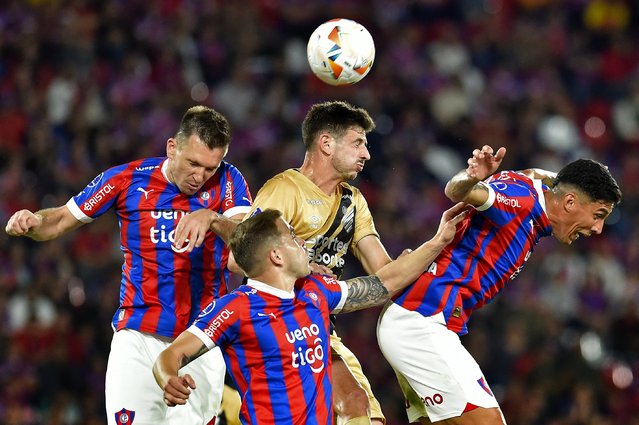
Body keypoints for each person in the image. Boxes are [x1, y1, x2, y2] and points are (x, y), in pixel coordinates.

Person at [5, 105, 253, 425]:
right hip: (137, 335)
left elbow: (248, 247)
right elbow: (61, 219)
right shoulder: (128, 180)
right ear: (171, 147)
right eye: (193, 163)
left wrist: (212, 218)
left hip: (200, 340)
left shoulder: (229, 180)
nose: (199, 176)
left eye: (209, 168)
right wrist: (33, 219)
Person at [153, 205, 468, 425]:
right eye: (292, 237)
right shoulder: (235, 309)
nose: (302, 241)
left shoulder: (315, 291)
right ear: (276, 256)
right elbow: (171, 355)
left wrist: (438, 240)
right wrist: (169, 379)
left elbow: (383, 284)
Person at [376, 145, 623, 425]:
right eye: (598, 215)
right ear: (569, 202)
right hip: (421, 319)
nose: (598, 229)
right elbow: (455, 191)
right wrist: (471, 177)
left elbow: (543, 175)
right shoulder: (518, 202)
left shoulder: (533, 187)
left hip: (419, 320)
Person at [239, 100, 392, 424]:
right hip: (273, 325)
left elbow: (382, 269)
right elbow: (237, 260)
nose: (366, 154)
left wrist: (430, 254)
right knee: (349, 406)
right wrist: (302, 266)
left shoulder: (353, 201)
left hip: (317, 326)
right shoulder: (284, 190)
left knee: (361, 411)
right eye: (358, 143)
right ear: (326, 143)